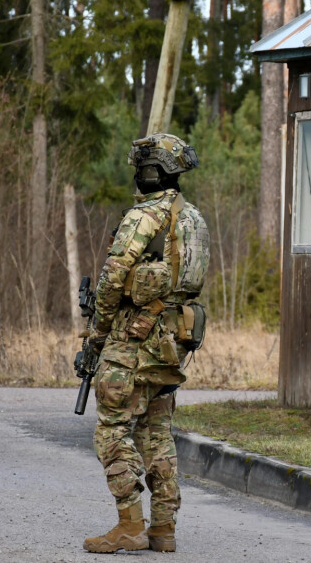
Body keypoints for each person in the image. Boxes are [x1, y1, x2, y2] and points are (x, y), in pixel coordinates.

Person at [82, 133, 210, 554]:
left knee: (112, 430)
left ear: (150, 171)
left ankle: (129, 525)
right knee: (157, 431)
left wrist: (98, 335)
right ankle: (163, 529)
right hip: (172, 344)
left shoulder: (142, 218)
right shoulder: (193, 219)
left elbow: (111, 282)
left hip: (132, 341)